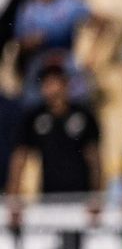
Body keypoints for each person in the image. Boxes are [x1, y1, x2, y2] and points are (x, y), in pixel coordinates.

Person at [6, 64, 101, 199]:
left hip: (80, 195)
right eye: (46, 84)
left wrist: (96, 195)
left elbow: (93, 158)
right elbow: (20, 157)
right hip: (47, 196)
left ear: (65, 84)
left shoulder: (83, 116)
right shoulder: (34, 118)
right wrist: (13, 196)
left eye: (54, 82)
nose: (50, 89)